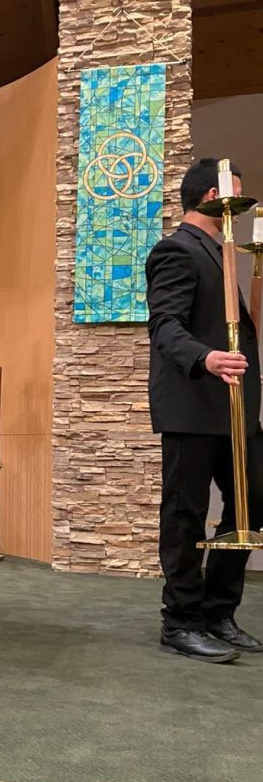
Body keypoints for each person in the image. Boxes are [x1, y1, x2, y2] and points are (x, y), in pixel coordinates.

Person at [145, 158, 263, 663]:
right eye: (231, 197)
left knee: (251, 503)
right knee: (185, 513)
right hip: (193, 404)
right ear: (206, 197)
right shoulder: (176, 250)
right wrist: (206, 357)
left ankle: (218, 611)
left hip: (234, 408)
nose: (237, 207)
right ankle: (182, 620)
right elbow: (165, 326)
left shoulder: (223, 252)